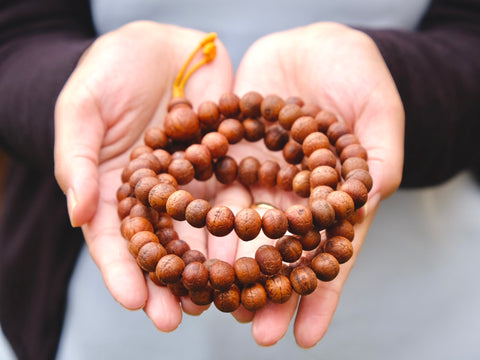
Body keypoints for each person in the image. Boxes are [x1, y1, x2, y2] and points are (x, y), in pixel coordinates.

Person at [0, 0, 479, 359]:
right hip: (91, 324)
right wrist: (75, 86)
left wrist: (397, 81)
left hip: (426, 309)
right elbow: (17, 30)